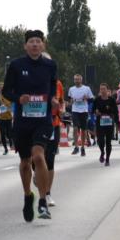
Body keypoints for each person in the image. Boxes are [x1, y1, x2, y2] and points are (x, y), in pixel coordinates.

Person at [2, 30, 58, 221]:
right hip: (23, 122)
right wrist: (19, 98)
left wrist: (54, 100)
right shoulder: (17, 65)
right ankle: (28, 195)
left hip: (43, 121)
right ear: (25, 46)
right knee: (25, 162)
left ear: (43, 45)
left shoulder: (50, 65)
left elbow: (52, 90)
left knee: (39, 156)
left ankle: (43, 200)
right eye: (31, 42)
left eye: (38, 41)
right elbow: (6, 92)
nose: (35, 44)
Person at [43, 68, 64, 207]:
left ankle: (48, 193)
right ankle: (37, 173)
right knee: (37, 159)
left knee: (50, 159)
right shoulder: (31, 82)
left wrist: (61, 109)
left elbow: (62, 102)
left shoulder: (58, 84)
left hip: (53, 123)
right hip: (36, 124)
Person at [67, 74, 94, 156]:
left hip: (84, 111)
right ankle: (76, 147)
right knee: (75, 128)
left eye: (78, 79)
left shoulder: (86, 88)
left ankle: (82, 147)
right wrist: (70, 102)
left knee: (83, 130)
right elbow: (70, 100)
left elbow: (92, 99)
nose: (77, 81)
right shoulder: (71, 89)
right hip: (75, 110)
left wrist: (87, 99)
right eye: (75, 79)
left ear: (81, 80)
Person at [94, 83, 117, 166]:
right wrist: (96, 112)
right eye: (101, 89)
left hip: (109, 123)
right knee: (100, 140)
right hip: (100, 122)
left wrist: (111, 113)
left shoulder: (111, 100)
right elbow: (93, 109)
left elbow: (115, 111)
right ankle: (102, 152)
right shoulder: (97, 100)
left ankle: (107, 159)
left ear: (107, 90)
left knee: (108, 142)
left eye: (104, 89)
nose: (102, 91)